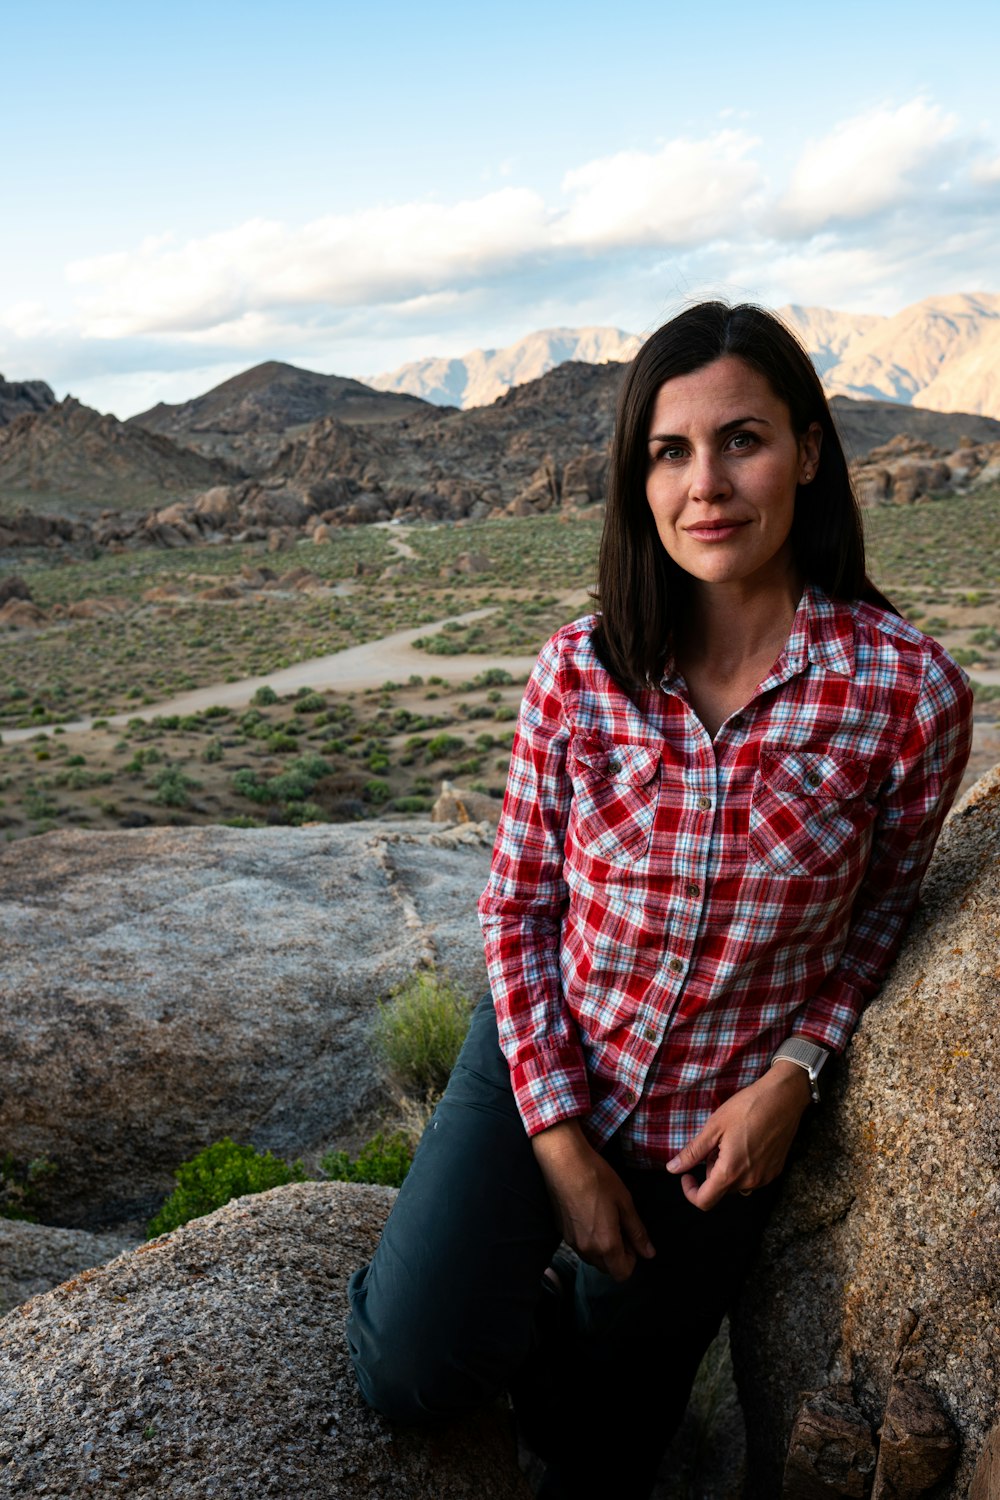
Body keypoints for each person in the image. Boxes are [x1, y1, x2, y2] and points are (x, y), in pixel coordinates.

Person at [346, 301, 973, 1499]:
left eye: (741, 440)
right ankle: (485, 1260)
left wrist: (795, 1075)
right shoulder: (581, 670)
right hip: (547, 1058)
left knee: (601, 1450)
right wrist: (559, 1145)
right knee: (409, 1369)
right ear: (638, 480)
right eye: (669, 452)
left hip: (714, 1131)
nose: (707, 486)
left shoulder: (905, 694)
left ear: (808, 450)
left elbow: (883, 917)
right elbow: (520, 907)